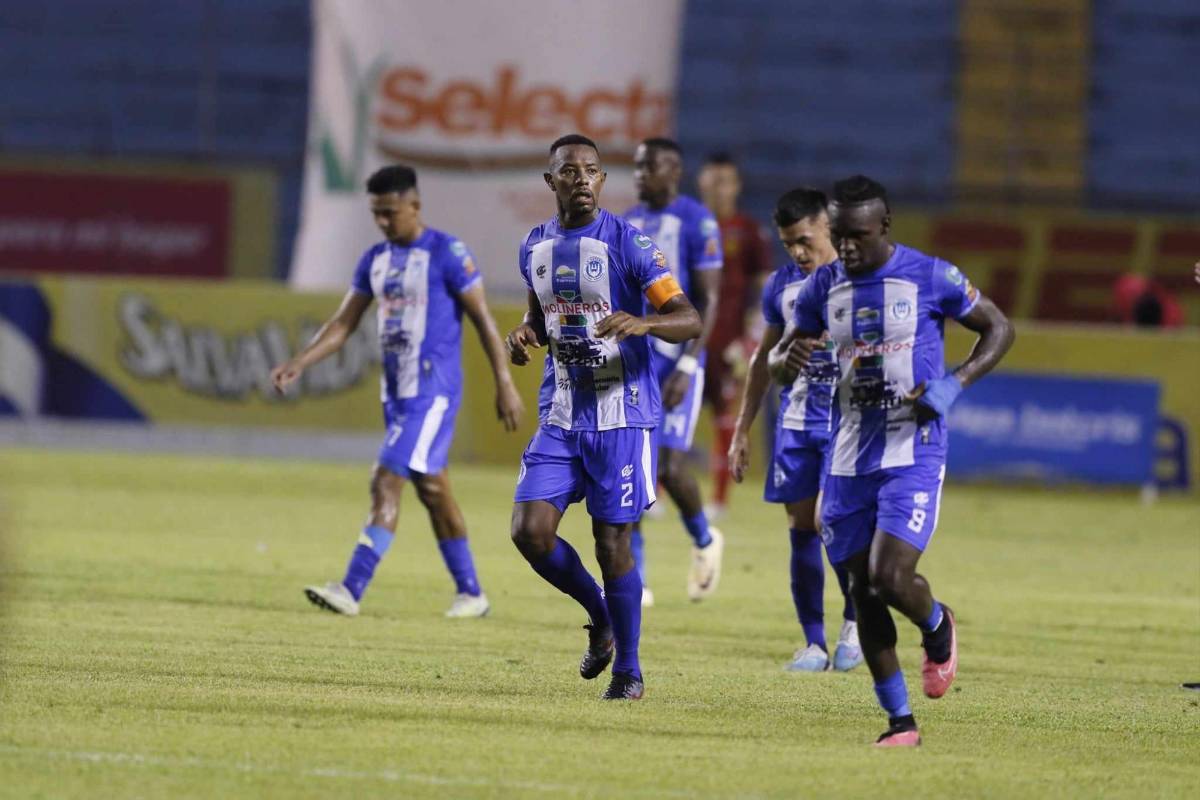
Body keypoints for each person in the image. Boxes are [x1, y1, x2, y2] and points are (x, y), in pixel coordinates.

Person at [769, 175, 1014, 746]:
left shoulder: (931, 276)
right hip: (847, 454)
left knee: (888, 576)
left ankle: (936, 623)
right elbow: (783, 357)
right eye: (839, 236)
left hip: (913, 449)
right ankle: (900, 722)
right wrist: (786, 359)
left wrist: (952, 385)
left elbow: (999, 328)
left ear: (884, 226)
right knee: (861, 588)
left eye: (858, 236)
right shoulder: (822, 286)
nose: (847, 247)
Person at [271, 164, 524, 619]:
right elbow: (343, 323)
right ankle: (471, 593)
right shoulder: (375, 259)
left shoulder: (448, 253)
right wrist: (300, 362)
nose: (383, 222)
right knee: (433, 488)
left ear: (415, 206)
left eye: (390, 212)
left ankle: (350, 588)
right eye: (376, 213)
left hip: (433, 391)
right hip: (396, 394)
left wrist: (504, 383)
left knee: (385, 479)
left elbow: (484, 321)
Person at [506, 134, 701, 701]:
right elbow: (541, 317)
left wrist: (645, 323)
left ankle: (629, 672)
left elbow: (688, 317)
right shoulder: (534, 246)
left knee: (612, 541)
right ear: (551, 181)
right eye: (570, 172)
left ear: (603, 180)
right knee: (529, 531)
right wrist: (525, 335)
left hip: (622, 415)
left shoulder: (629, 243)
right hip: (562, 412)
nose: (583, 181)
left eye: (592, 171)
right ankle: (601, 615)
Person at [728, 188, 861, 673]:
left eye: (805, 240)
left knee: (832, 520)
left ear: (828, 228)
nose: (799, 252)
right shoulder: (780, 286)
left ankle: (856, 623)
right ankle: (814, 644)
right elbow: (762, 360)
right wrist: (742, 429)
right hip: (797, 423)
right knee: (801, 528)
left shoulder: (857, 280)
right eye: (789, 244)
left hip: (847, 424)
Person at [624, 138, 725, 606]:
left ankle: (704, 538)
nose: (641, 175)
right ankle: (637, 580)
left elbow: (709, 298)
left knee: (667, 465)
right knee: (629, 464)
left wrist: (688, 363)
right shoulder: (627, 221)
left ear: (674, 170)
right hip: (636, 358)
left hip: (680, 357)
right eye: (637, 166)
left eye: (650, 167)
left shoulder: (696, 219)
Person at [696, 153, 772, 520]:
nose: (718, 188)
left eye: (724, 181)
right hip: (689, 338)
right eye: (712, 181)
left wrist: (751, 339)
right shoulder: (689, 226)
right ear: (701, 183)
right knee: (664, 413)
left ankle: (719, 500)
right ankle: (656, 494)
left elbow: (764, 288)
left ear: (737, 186)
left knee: (726, 417)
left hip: (729, 343)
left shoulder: (748, 230)